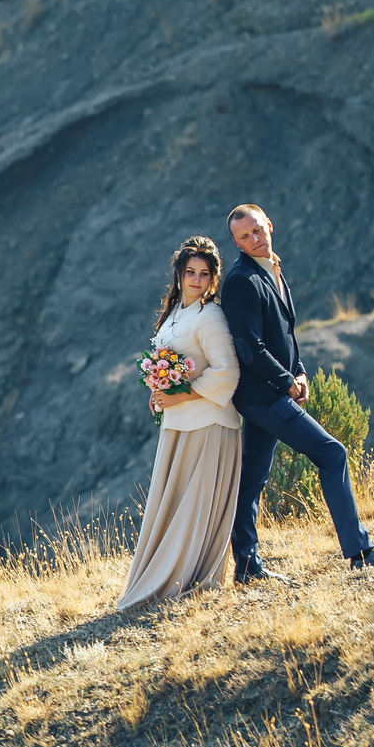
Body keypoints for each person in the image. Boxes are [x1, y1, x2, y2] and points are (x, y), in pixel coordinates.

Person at [222, 203, 374, 581]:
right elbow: (248, 346)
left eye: (258, 230)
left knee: (252, 478)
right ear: (236, 243)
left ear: (269, 224)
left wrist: (301, 372)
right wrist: (285, 382)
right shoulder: (241, 280)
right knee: (331, 453)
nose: (254, 239)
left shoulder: (273, 269)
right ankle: (360, 552)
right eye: (245, 237)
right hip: (261, 396)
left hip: (274, 389)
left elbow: (285, 336)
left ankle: (246, 566)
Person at [120, 237, 244, 612]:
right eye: (190, 272)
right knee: (171, 504)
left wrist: (181, 395)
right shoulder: (175, 312)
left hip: (207, 423)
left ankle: (181, 579)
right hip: (178, 422)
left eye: (204, 274)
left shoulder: (210, 316)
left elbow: (228, 374)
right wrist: (159, 389)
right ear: (178, 274)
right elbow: (171, 365)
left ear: (212, 278)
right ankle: (161, 574)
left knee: (192, 507)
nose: (196, 279)